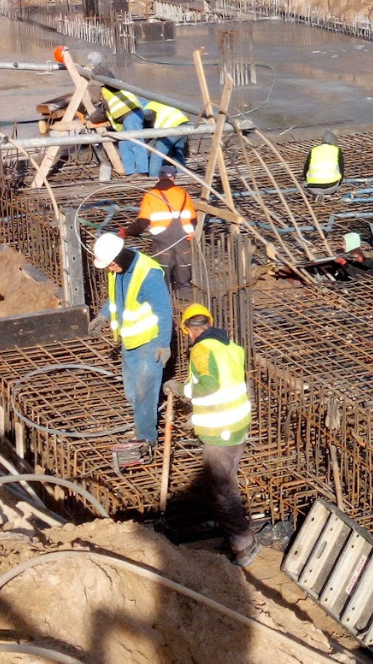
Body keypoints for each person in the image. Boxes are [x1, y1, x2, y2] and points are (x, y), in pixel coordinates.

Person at [177, 302, 256, 565]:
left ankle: (244, 543)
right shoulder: (231, 347)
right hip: (237, 425)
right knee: (228, 484)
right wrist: (197, 414)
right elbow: (228, 385)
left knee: (219, 492)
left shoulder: (201, 350)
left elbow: (209, 386)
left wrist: (182, 391)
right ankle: (237, 536)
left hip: (219, 431)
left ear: (189, 330)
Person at [91, 228, 172, 471]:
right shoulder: (119, 270)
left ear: (120, 257)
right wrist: (103, 316)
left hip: (149, 344)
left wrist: (164, 345)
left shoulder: (148, 275)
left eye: (110, 265)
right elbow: (116, 298)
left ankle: (146, 440)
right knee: (132, 393)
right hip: (129, 342)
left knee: (145, 392)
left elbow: (164, 312)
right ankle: (142, 424)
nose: (108, 270)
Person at [137, 170, 197, 241]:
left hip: (162, 240)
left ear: (158, 179)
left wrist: (128, 232)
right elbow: (193, 219)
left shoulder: (150, 195)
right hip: (184, 238)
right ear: (174, 179)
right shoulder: (183, 194)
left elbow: (143, 221)